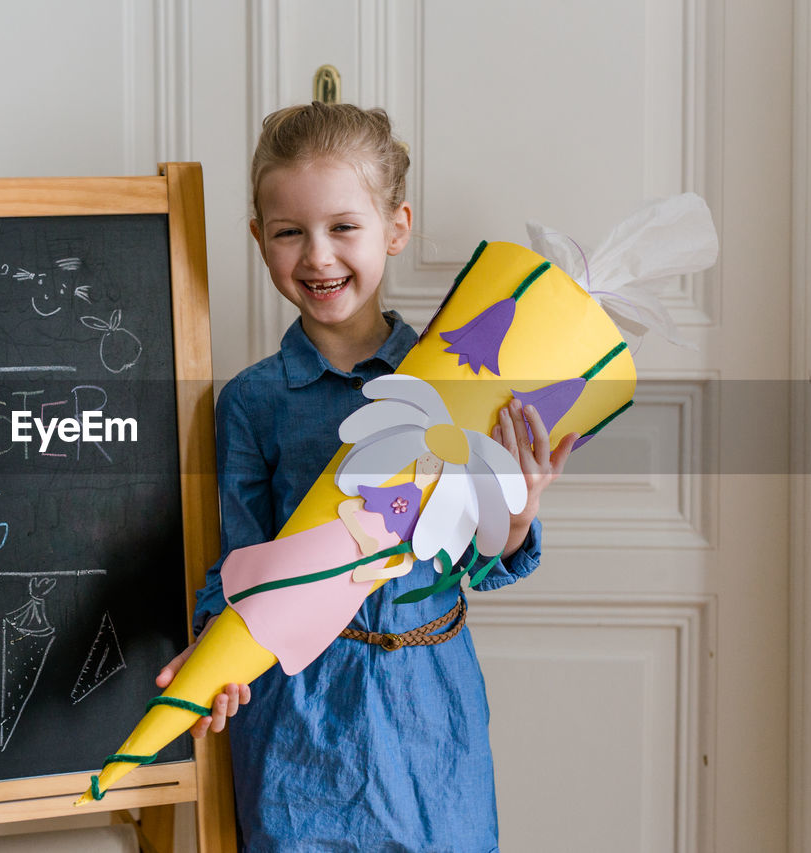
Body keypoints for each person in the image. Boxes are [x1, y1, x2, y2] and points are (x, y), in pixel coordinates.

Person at [155, 101, 576, 851]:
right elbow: (238, 564)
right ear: (259, 238)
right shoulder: (253, 402)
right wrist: (218, 652)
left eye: (343, 226)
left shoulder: (457, 380)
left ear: (397, 226)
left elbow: (475, 559)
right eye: (289, 232)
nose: (317, 256)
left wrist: (515, 513)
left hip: (431, 709)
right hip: (299, 719)